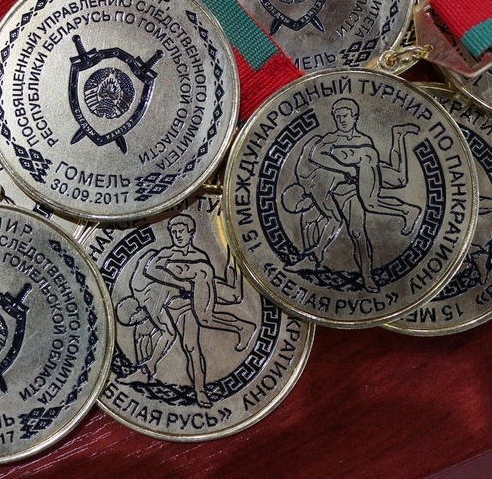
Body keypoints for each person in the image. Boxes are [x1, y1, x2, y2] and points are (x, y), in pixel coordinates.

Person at [287, 98, 421, 292]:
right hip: (345, 191)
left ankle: (407, 212)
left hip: (361, 177)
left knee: (373, 200)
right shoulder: (331, 138)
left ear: (355, 117)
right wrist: (345, 169)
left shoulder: (363, 141)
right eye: (338, 116)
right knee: (357, 232)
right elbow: (315, 155)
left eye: (345, 116)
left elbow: (361, 162)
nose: (341, 120)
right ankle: (362, 273)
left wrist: (348, 169)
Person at [127, 214, 256, 407]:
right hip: (178, 306)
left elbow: (203, 282)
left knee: (200, 331)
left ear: (191, 233)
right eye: (174, 232)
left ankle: (201, 391)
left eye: (182, 231)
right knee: (190, 346)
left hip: (193, 302)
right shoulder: (166, 253)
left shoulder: (199, 257)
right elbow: (150, 269)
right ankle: (240, 328)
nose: (178, 235)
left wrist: (187, 283)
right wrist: (180, 283)